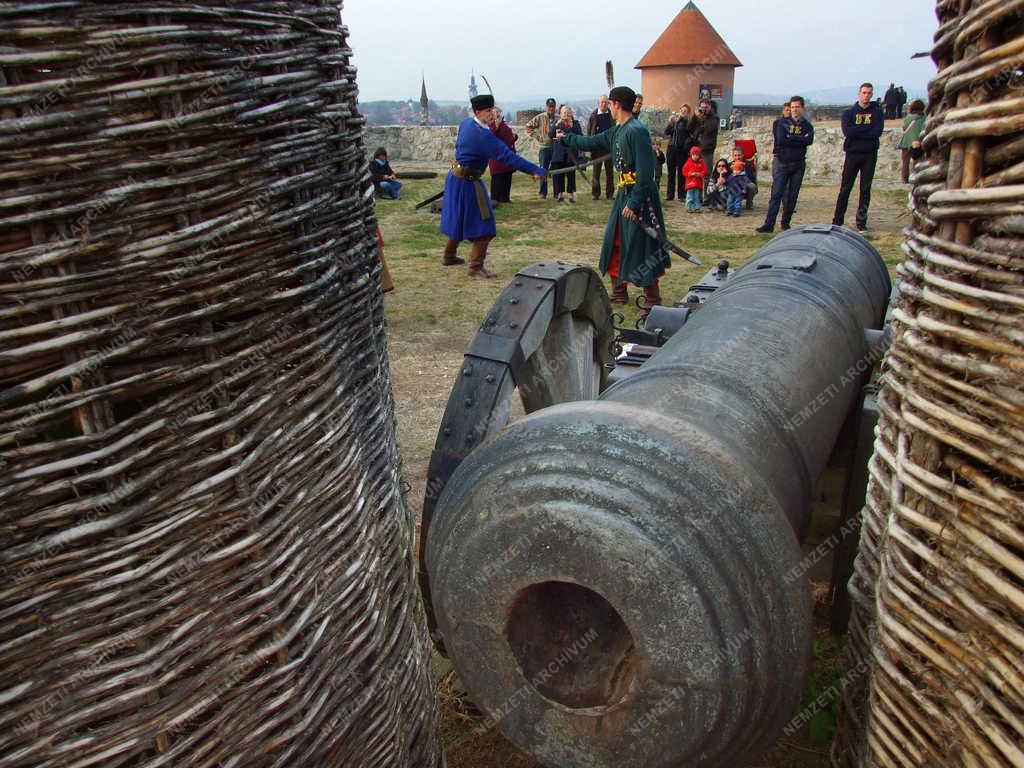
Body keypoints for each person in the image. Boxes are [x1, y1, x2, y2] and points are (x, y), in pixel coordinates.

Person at [557, 85, 669, 309]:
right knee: (615, 240)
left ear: (616, 104)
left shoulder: (637, 131)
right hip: (623, 195)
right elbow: (591, 142)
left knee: (642, 244)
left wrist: (635, 202)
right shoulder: (618, 129)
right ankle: (619, 292)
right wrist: (567, 138)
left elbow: (646, 173)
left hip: (640, 198)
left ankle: (652, 298)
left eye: (610, 103)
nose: (608, 106)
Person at [441, 94, 546, 277]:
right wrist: (534, 170)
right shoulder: (483, 136)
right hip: (468, 182)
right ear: (477, 112)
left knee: (458, 217)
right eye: (488, 111)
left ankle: (449, 255)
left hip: (455, 178)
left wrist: (491, 131)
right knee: (485, 223)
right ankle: (475, 267)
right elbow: (508, 156)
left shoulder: (466, 124)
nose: (492, 114)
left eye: (493, 110)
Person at [757, 95, 814, 233]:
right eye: (793, 107)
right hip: (782, 163)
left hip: (798, 164)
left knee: (792, 196)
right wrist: (800, 139)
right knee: (776, 194)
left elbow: (809, 140)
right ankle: (769, 224)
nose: (795, 110)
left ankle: (785, 223)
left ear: (802, 108)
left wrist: (792, 138)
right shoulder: (782, 123)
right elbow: (782, 140)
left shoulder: (807, 125)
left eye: (797, 107)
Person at [832, 83, 885, 231]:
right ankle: (837, 220)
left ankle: (861, 222)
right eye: (864, 93)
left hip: (869, 154)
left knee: (865, 189)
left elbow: (877, 132)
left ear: (872, 94)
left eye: (869, 93)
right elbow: (848, 131)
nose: (866, 95)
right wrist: (865, 130)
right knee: (845, 188)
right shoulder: (849, 113)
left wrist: (859, 131)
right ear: (859, 94)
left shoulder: (877, 113)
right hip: (853, 154)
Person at [549, 105, 582, 202]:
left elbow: (580, 135)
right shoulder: (557, 123)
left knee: (571, 174)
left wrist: (571, 126)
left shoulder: (575, 123)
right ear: (560, 114)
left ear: (571, 114)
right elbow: (550, 135)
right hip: (559, 153)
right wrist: (556, 125)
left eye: (568, 112)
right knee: (559, 174)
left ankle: (571, 195)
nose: (566, 114)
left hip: (571, 153)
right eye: (564, 112)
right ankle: (560, 194)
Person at [525, 97, 558, 198]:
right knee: (543, 170)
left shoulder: (558, 118)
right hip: (544, 148)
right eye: (549, 107)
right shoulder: (540, 117)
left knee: (556, 170)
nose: (551, 109)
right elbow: (528, 126)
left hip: (556, 147)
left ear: (555, 107)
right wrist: (538, 137)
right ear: (546, 107)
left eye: (552, 107)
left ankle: (557, 193)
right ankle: (542, 193)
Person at [586, 94, 615, 200]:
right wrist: (589, 146)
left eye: (606, 102)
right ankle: (595, 194)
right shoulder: (593, 115)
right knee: (596, 173)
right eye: (602, 102)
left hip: (608, 148)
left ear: (608, 103)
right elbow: (589, 132)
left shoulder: (611, 115)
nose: (604, 104)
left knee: (610, 172)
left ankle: (610, 194)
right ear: (598, 103)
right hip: (597, 148)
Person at [663, 103, 694, 201]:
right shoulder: (675, 122)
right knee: (671, 173)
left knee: (681, 173)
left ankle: (681, 194)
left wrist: (681, 120)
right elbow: (667, 132)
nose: (682, 113)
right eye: (681, 111)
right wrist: (670, 123)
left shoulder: (688, 123)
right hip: (672, 148)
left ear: (688, 113)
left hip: (682, 150)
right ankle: (670, 194)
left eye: (685, 111)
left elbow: (689, 133)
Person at [488, 107, 518, 205]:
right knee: (498, 179)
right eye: (496, 112)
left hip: (507, 157)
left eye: (499, 112)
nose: (498, 114)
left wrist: (514, 137)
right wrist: (496, 125)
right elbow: (491, 136)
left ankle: (505, 198)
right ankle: (495, 200)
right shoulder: (490, 125)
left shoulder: (503, 124)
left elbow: (507, 138)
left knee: (507, 178)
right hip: (497, 158)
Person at [899, 99, 926, 183]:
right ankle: (916, 179)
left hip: (906, 142)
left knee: (905, 163)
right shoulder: (924, 118)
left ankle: (904, 179)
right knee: (917, 162)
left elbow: (904, 127)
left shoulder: (908, 117)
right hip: (917, 142)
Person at [682, 146, 708, 213]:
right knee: (689, 196)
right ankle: (688, 207)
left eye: (697, 155)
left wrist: (700, 174)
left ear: (699, 155)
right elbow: (684, 171)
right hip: (690, 183)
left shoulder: (701, 163)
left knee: (697, 196)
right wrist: (690, 174)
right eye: (693, 155)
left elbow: (705, 171)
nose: (695, 156)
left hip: (698, 184)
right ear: (691, 155)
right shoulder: (688, 162)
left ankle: (697, 207)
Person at [726, 152, 750, 218]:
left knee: (737, 202)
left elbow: (745, 183)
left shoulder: (743, 176)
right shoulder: (731, 176)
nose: (736, 171)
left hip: (739, 192)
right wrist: (728, 188)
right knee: (729, 201)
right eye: (735, 170)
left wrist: (744, 189)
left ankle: (737, 211)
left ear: (741, 170)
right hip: (731, 192)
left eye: (738, 170)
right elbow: (728, 182)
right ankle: (729, 210)